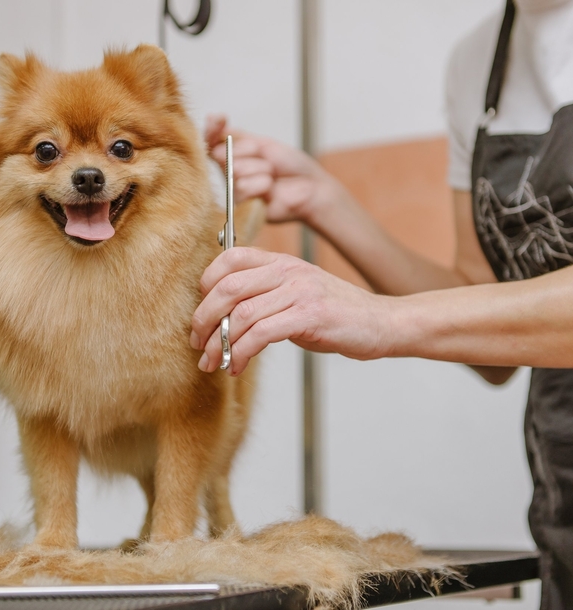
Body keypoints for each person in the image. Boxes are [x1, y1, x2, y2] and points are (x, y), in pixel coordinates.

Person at [190, 0, 573, 607]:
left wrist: (379, 319)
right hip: (563, 498)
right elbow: (487, 330)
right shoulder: (478, 64)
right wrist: (324, 200)